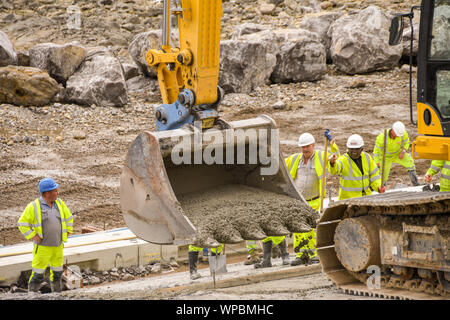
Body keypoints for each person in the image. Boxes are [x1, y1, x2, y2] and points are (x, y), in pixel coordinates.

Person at [285, 130, 339, 266]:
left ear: (313, 145)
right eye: (303, 147)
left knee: (310, 228)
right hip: (298, 200)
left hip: (314, 200)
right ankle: (300, 255)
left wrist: (332, 144)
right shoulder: (295, 159)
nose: (305, 149)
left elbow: (336, 157)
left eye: (307, 146)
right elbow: (280, 163)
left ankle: (312, 254)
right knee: (298, 229)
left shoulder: (321, 156)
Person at [17, 178, 73, 293]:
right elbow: (22, 223)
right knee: (37, 275)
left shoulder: (60, 203)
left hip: (58, 246)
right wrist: (33, 236)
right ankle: (32, 295)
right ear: (47, 193)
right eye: (55, 191)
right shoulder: (34, 206)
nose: (57, 193)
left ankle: (57, 295)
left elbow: (69, 217)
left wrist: (68, 231)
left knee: (57, 274)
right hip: (42, 248)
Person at [330, 134, 385, 200]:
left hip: (366, 197)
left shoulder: (367, 158)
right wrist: (332, 163)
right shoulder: (343, 160)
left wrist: (378, 186)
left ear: (362, 149)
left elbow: (374, 175)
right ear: (348, 148)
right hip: (348, 200)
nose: (354, 151)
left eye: (357, 149)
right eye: (352, 149)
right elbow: (335, 169)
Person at [373, 121, 419, 186]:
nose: (398, 136)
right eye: (397, 134)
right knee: (383, 175)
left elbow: (407, 143)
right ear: (392, 130)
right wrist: (377, 162)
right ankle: (381, 187)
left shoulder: (402, 134)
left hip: (397, 154)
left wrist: (403, 151)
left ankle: (415, 183)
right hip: (385, 157)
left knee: (410, 163)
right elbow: (376, 151)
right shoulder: (382, 137)